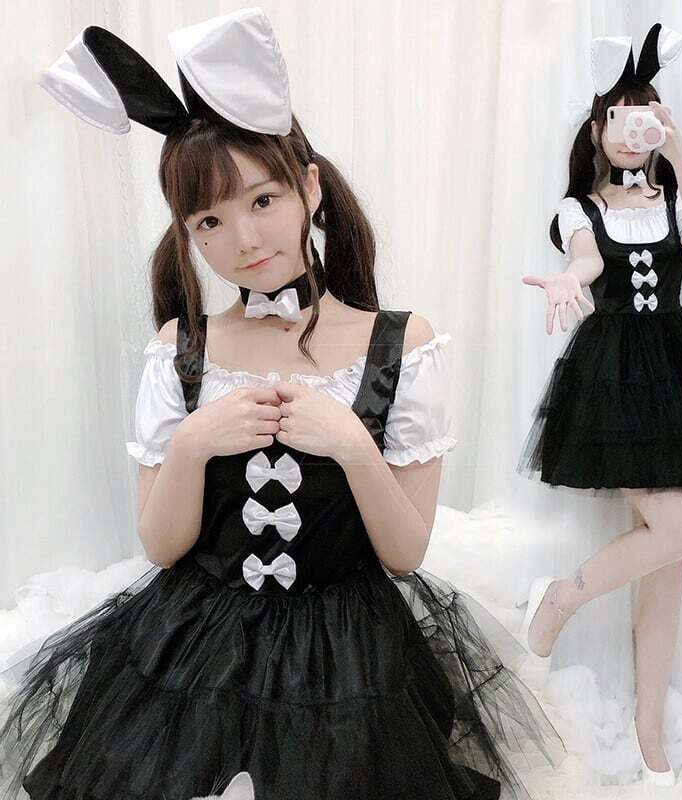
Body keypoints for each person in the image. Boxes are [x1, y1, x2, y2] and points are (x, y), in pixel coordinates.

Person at [0, 9, 566, 799]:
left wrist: (352, 444)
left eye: (262, 200)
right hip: (194, 649)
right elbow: (161, 545)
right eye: (210, 220)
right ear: (188, 233)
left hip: (344, 651)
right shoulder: (180, 349)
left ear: (309, 187)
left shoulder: (401, 344)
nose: (243, 239)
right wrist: (195, 442)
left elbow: (404, 553)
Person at [516, 23, 682, 786]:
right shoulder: (580, 208)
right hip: (614, 375)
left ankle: (648, 729)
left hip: (679, 371)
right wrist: (568, 281)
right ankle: (561, 597)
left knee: (671, 557)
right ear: (597, 129)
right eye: (619, 118)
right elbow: (585, 260)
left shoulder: (672, 198)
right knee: (676, 530)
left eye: (645, 118)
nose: (632, 132)